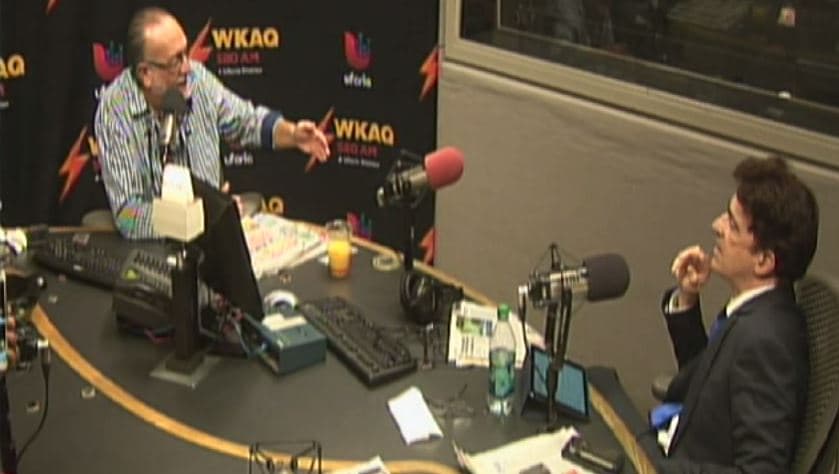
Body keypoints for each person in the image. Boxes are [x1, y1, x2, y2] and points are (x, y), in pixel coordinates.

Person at [94, 7, 330, 240]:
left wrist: (293, 134)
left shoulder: (198, 81)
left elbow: (246, 123)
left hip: (213, 240)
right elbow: (128, 215)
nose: (187, 67)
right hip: (156, 248)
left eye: (186, 53)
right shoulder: (116, 109)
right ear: (146, 74)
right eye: (176, 61)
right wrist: (200, 216)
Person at [656, 156, 818, 472]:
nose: (716, 226)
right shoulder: (756, 309)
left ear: (764, 261)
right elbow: (703, 380)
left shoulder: (767, 342)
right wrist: (688, 298)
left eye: (732, 224)